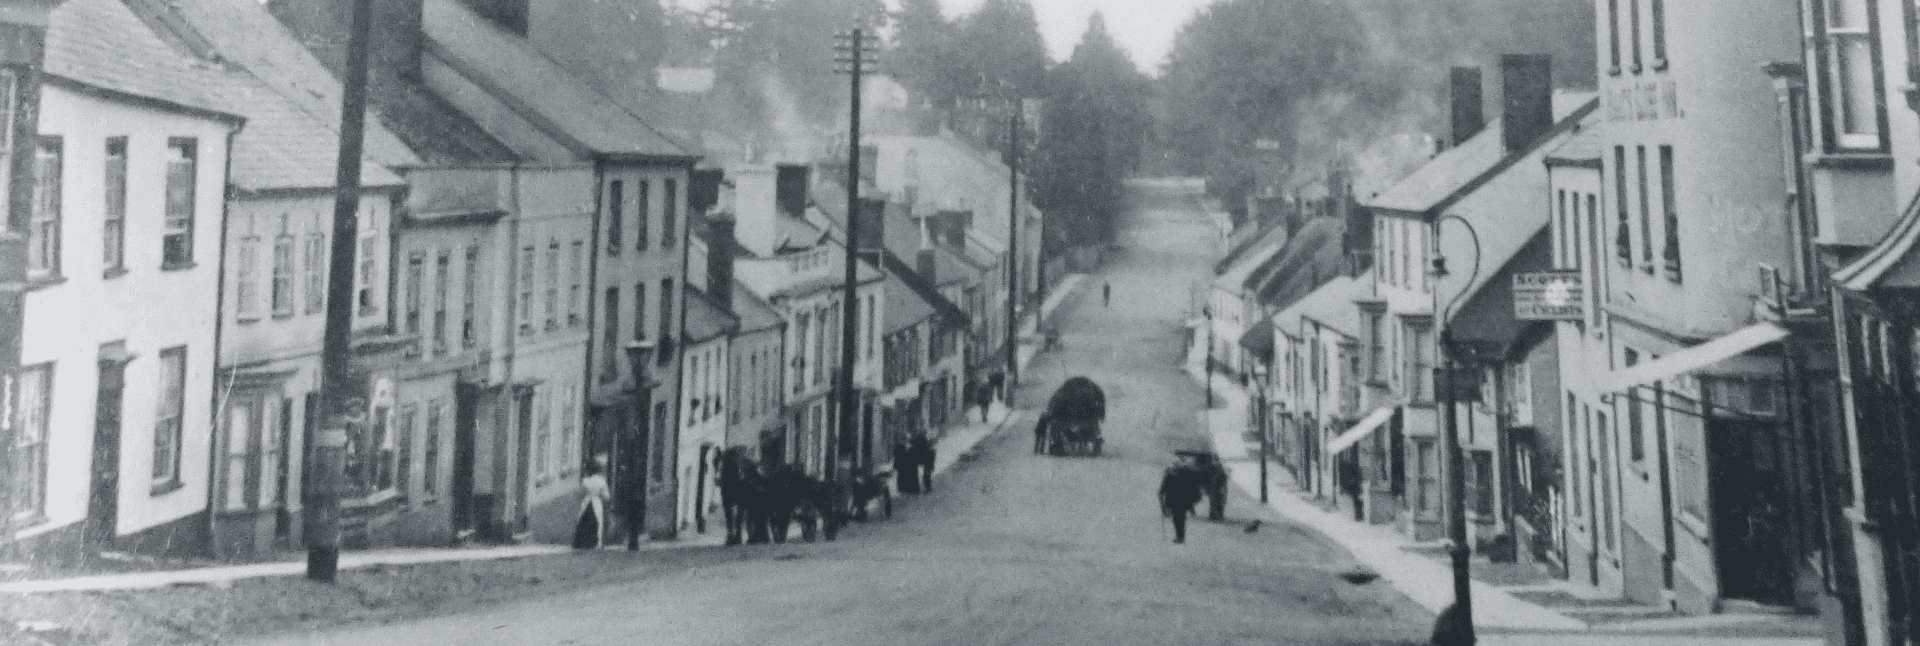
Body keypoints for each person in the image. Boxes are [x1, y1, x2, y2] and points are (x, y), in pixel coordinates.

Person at [1159, 454, 1204, 544]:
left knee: (1178, 518)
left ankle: (1180, 537)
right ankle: (1180, 536)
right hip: (1178, 499)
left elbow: (1163, 488)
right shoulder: (1183, 472)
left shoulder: (1175, 473)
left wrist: (1162, 498)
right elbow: (1164, 488)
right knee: (1178, 518)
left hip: (1179, 499)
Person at [573, 455, 612, 549]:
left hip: (587, 502)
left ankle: (581, 542)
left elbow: (580, 494)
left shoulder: (585, 481)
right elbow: (607, 496)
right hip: (596, 502)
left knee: (582, 520)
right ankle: (596, 542)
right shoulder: (601, 481)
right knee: (597, 521)